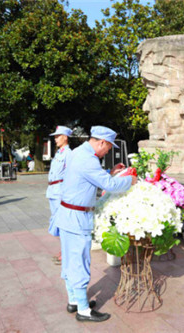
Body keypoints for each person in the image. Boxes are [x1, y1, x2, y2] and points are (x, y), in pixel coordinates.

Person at [52, 126, 136, 322]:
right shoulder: (88, 159)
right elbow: (110, 185)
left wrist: (109, 171)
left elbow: (88, 176)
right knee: (80, 261)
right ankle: (83, 309)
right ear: (101, 142)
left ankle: (74, 300)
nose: (108, 151)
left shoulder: (78, 152)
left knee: (71, 261)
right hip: (77, 218)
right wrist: (130, 180)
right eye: (108, 147)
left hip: (67, 215)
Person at [46, 126, 73, 265]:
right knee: (57, 222)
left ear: (65, 137)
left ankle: (66, 252)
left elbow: (70, 174)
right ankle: (64, 250)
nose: (55, 139)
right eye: (55, 136)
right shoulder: (59, 153)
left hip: (60, 192)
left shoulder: (68, 154)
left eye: (58, 136)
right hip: (53, 190)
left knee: (62, 223)